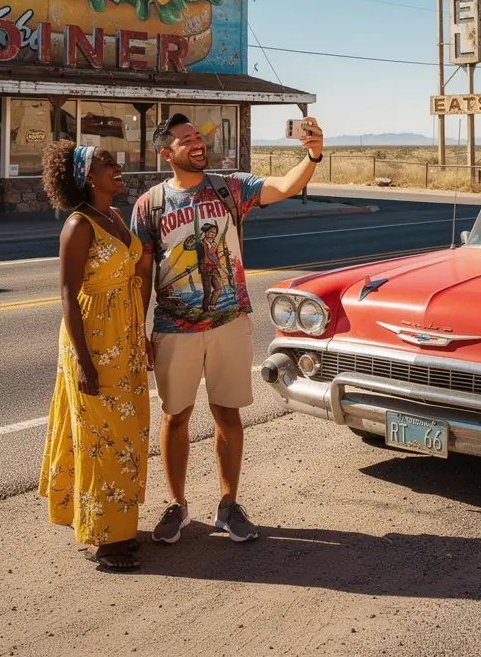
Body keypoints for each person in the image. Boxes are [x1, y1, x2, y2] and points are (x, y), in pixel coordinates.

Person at [131, 113, 324, 545]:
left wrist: (312, 155)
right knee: (175, 416)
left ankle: (228, 504)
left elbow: (284, 186)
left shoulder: (229, 188)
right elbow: (142, 272)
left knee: (227, 413)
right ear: (166, 153)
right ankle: (177, 504)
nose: (197, 143)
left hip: (229, 322)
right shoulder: (150, 204)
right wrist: (138, 331)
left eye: (198, 137)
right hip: (173, 327)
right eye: (185, 140)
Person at [38, 141, 151, 572]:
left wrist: (141, 334)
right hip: (94, 340)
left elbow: (137, 268)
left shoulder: (115, 217)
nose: (117, 167)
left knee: (126, 433)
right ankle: (104, 541)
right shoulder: (78, 225)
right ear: (87, 176)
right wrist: (84, 362)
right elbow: (68, 295)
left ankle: (118, 526)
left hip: (125, 336)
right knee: (102, 438)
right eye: (107, 163)